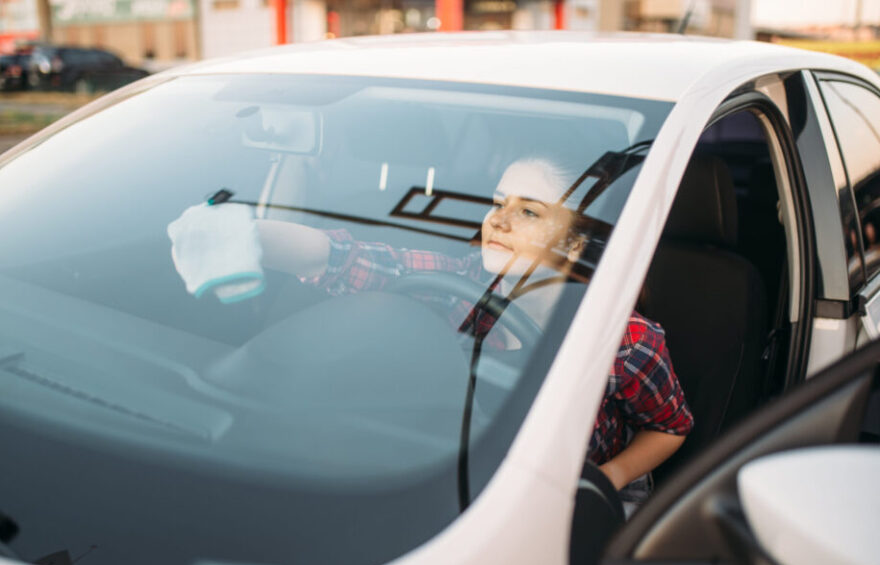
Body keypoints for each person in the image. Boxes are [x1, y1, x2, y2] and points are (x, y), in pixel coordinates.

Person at [212, 158, 694, 508]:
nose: (497, 221)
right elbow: (358, 260)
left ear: (572, 240)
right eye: (497, 203)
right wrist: (246, 237)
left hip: (584, 487)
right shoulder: (463, 282)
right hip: (469, 475)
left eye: (529, 212)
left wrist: (603, 482)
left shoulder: (627, 340)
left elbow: (669, 427)